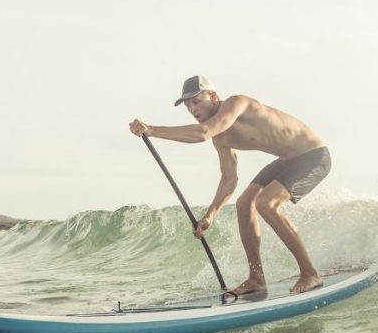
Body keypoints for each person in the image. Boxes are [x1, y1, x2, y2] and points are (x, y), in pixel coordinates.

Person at [129, 75, 331, 295]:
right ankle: (256, 278)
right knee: (244, 204)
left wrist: (152, 130)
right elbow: (229, 179)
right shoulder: (221, 139)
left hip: (313, 156)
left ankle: (310, 274)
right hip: (287, 161)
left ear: (213, 96)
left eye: (196, 101)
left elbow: (203, 133)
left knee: (266, 203)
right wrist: (210, 215)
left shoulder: (238, 103)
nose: (192, 109)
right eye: (187, 105)